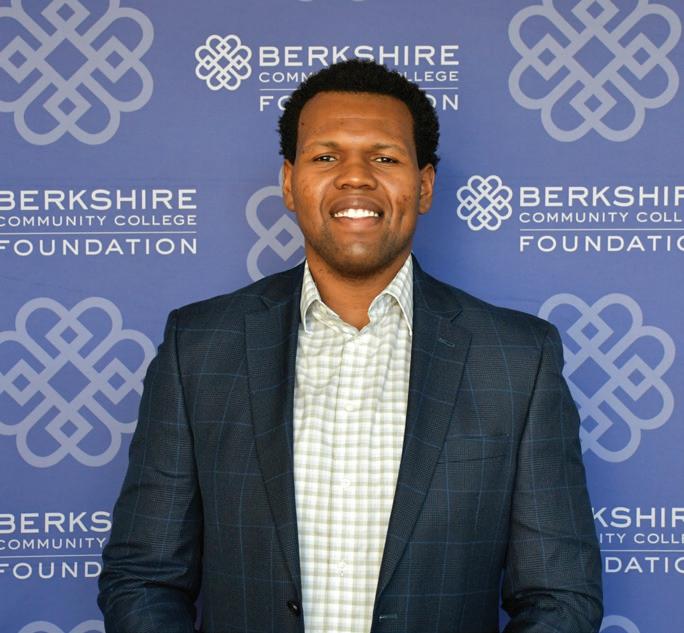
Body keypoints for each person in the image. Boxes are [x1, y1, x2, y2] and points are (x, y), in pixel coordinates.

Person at [98, 60, 603, 633]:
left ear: (424, 185)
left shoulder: (516, 359)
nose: (355, 177)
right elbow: (144, 578)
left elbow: (560, 596)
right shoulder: (199, 347)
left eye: (384, 158)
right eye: (325, 157)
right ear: (289, 182)